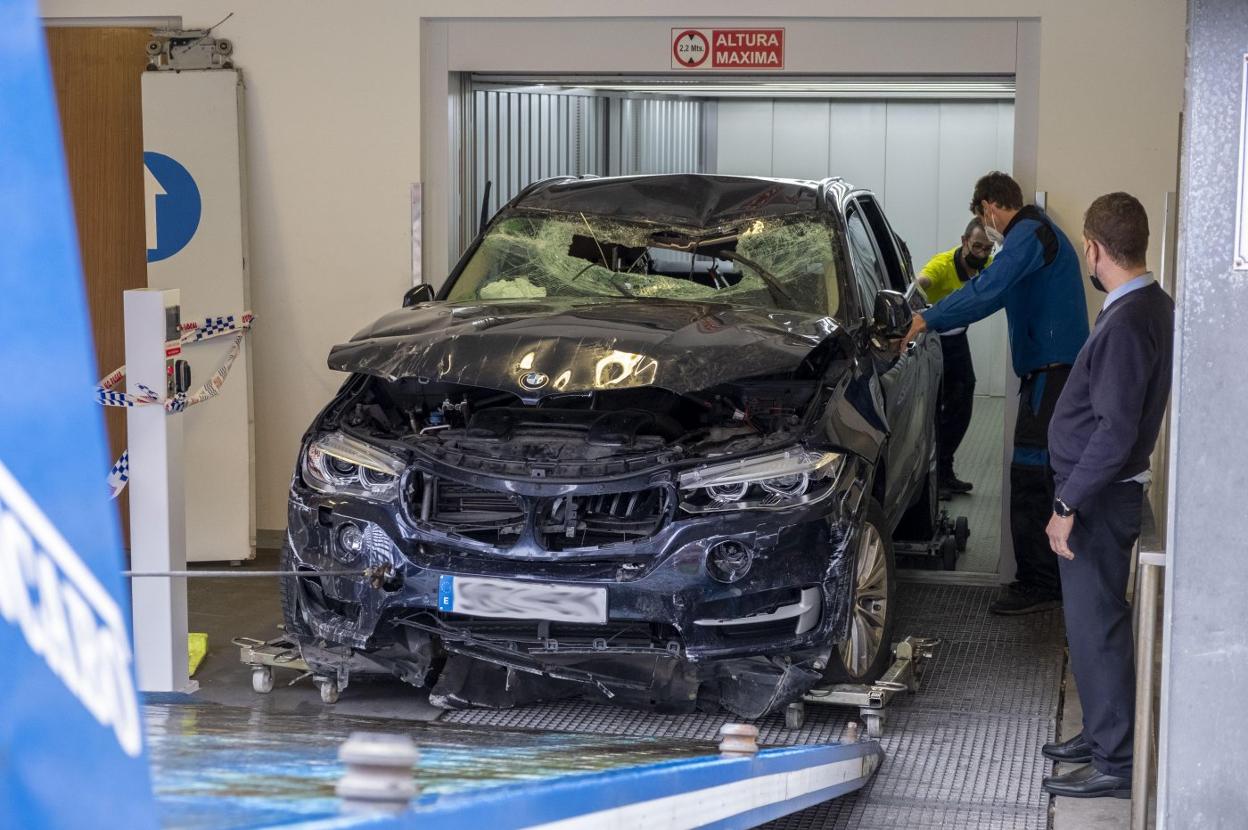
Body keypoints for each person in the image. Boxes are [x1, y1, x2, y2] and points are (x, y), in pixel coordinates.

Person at [902, 172, 1089, 615]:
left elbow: (989, 286)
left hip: (1053, 378)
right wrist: (935, 316)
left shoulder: (1028, 234)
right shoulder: (1031, 238)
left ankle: (1039, 584)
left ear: (988, 208)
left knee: (1030, 476)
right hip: (1050, 377)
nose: (986, 229)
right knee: (1037, 474)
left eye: (983, 218)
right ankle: (1046, 580)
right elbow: (986, 298)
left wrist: (925, 321)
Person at [1040, 193, 1173, 799]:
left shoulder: (1127, 319)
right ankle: (1101, 734)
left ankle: (1115, 762)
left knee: (1097, 627)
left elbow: (1116, 431)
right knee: (1093, 623)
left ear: (1093, 249)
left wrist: (1067, 505)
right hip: (1101, 491)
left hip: (1097, 497)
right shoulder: (1146, 304)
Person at [917, 219, 994, 500]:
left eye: (988, 248)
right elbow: (921, 282)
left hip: (957, 338)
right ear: (964, 241)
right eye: (977, 247)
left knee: (962, 401)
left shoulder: (987, 265)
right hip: (934, 341)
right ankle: (933, 477)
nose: (982, 253)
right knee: (937, 407)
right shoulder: (942, 265)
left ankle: (945, 470)